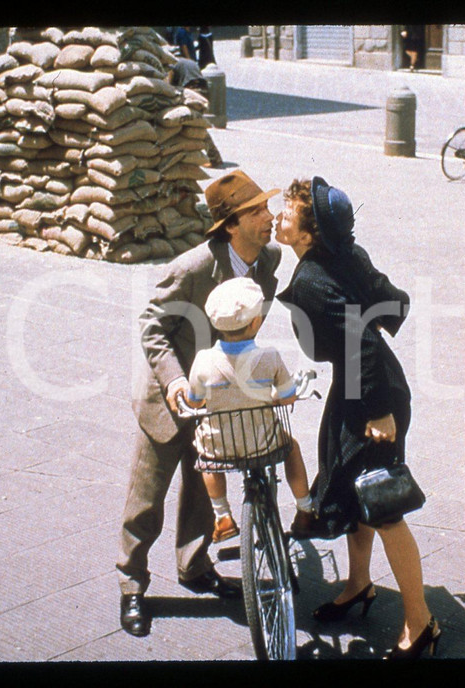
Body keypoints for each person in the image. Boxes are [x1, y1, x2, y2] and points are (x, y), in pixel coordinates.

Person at [274, 177, 441, 660]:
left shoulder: (311, 281)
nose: (279, 218)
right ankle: (359, 584)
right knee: (354, 488)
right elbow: (395, 299)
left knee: (385, 505)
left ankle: (420, 622)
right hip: (366, 386)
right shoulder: (347, 253)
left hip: (371, 395)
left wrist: (380, 412)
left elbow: (360, 343)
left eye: (286, 214)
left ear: (309, 234)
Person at [117, 170, 283, 638]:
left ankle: (194, 566)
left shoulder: (269, 259)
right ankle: (132, 584)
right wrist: (172, 382)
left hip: (218, 394)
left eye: (266, 208)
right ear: (231, 225)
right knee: (146, 497)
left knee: (202, 487)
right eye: (256, 212)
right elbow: (153, 326)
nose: (268, 218)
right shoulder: (192, 268)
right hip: (167, 398)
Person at [185, 277, 316, 542]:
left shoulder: (204, 360)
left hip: (221, 444)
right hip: (263, 441)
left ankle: (222, 516)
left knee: (205, 456)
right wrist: (273, 397)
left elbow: (195, 402)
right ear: (255, 322)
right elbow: (288, 396)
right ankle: (305, 510)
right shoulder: (269, 356)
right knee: (292, 448)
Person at [166, 56, 224, 168]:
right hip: (204, 91)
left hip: (193, 92)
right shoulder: (187, 61)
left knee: (196, 127)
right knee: (194, 124)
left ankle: (214, 157)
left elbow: (170, 84)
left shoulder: (173, 65)